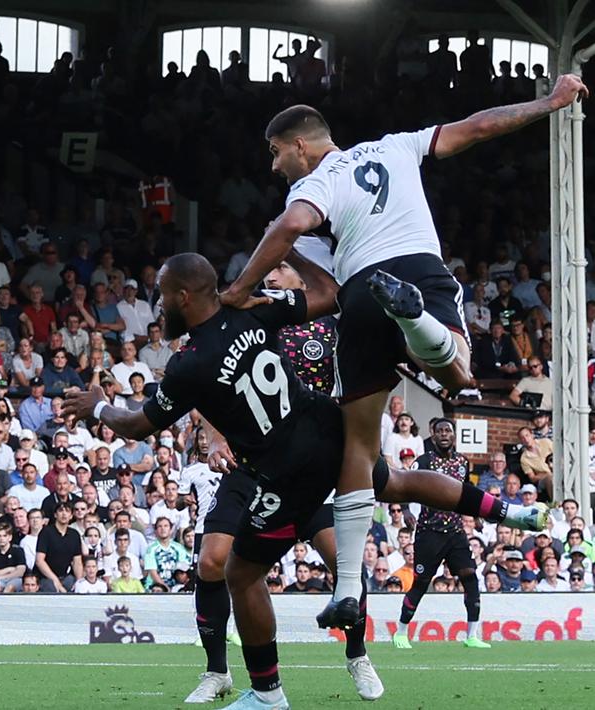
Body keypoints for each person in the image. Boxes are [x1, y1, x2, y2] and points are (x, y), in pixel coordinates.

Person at [64, 254, 545, 708]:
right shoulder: (255, 310)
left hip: (287, 469)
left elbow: (138, 425)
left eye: (162, 294)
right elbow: (330, 292)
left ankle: (269, 691)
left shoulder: (190, 363)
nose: (159, 302)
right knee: (393, 483)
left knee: (241, 571)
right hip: (328, 429)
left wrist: (97, 407)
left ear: (184, 297)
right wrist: (303, 245)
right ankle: (508, 511)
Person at [221, 75, 589, 636]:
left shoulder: (311, 189)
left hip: (361, 300)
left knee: (360, 449)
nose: (274, 166)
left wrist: (239, 290)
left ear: (301, 145)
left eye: (275, 153)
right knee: (459, 373)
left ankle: (347, 591)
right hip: (416, 269)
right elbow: (478, 127)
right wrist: (549, 102)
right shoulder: (396, 144)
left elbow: (300, 242)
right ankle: (416, 316)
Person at [392, 418, 491, 650]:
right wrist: (405, 509)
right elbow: (403, 483)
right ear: (433, 435)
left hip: (455, 531)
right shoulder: (424, 461)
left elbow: (468, 492)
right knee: (421, 582)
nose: (444, 434)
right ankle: (401, 632)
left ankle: (472, 635)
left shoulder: (462, 462)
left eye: (448, 430)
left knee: (470, 577)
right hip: (430, 533)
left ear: (454, 435)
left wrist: (475, 515)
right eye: (440, 431)